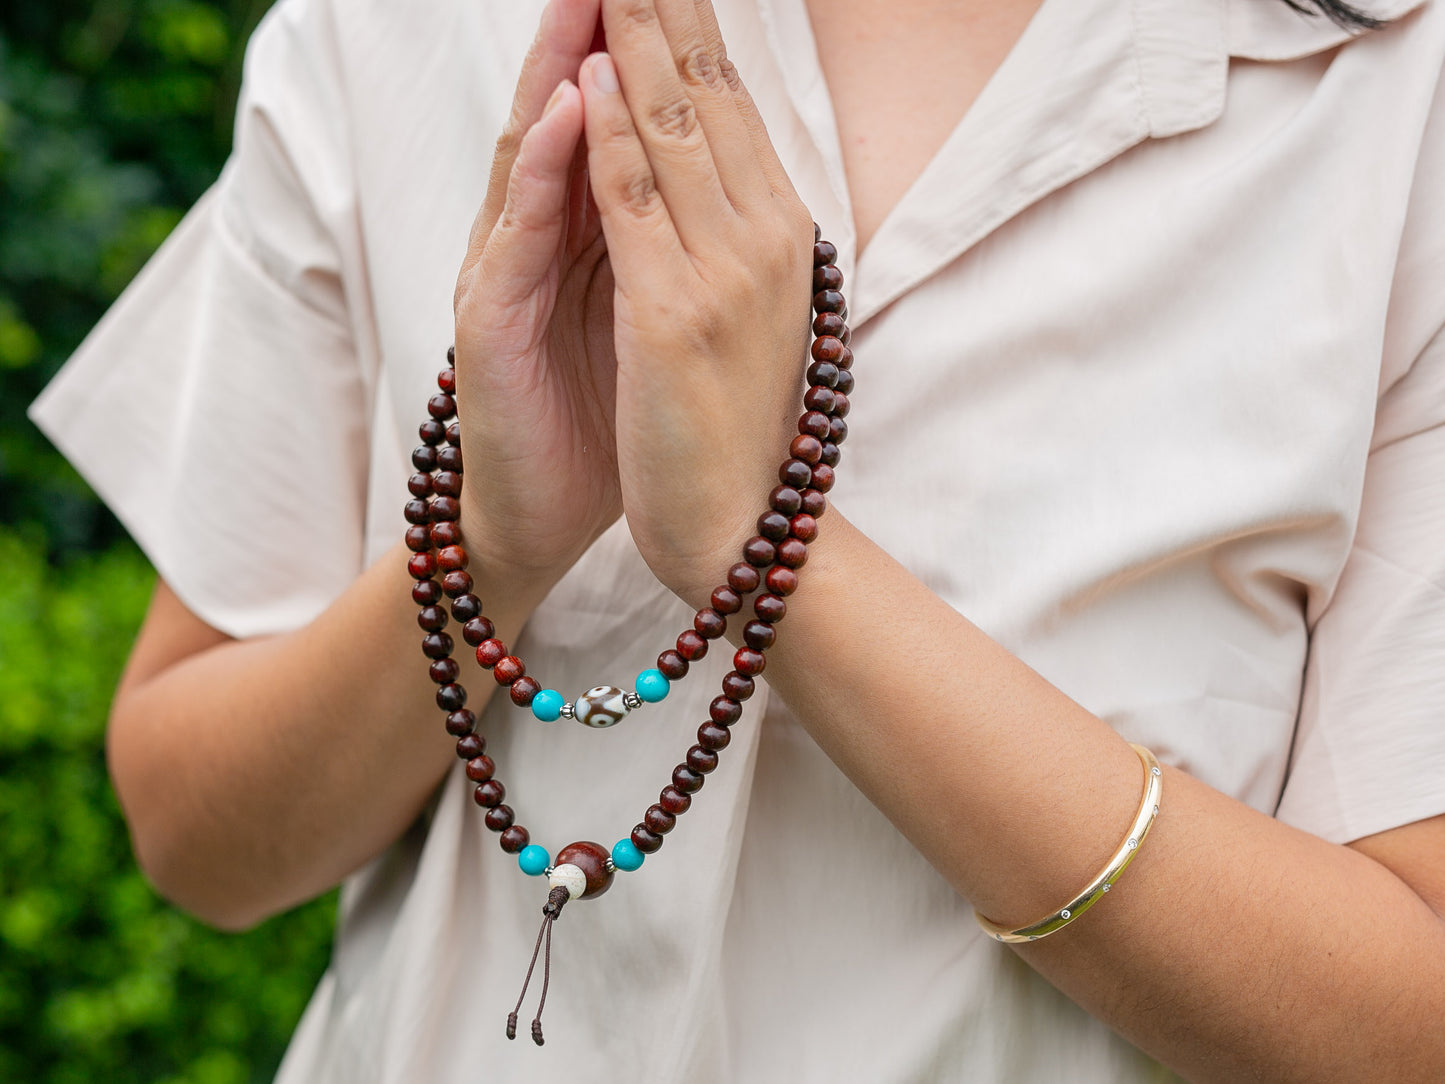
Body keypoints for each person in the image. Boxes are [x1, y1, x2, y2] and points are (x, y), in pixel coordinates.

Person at [30, 0, 1445, 1078]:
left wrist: (769, 554)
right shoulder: (403, 30)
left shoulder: (1398, 97)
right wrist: (491, 545)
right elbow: (197, 832)